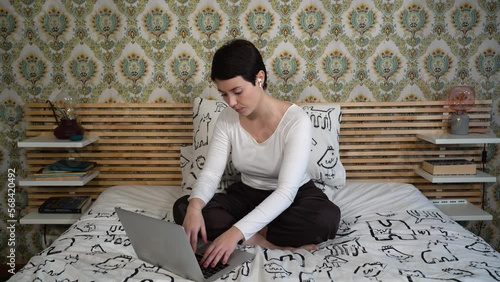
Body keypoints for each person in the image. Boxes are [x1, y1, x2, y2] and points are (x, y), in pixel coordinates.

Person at [173, 39, 341, 269]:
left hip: (293, 196)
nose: (231, 102)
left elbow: (286, 191)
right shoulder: (227, 118)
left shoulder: (296, 120)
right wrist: (194, 207)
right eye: (223, 94)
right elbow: (211, 174)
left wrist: (234, 232)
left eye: (237, 91)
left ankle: (246, 232)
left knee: (326, 219)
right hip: (246, 194)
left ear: (259, 78)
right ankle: (261, 239)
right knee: (185, 208)